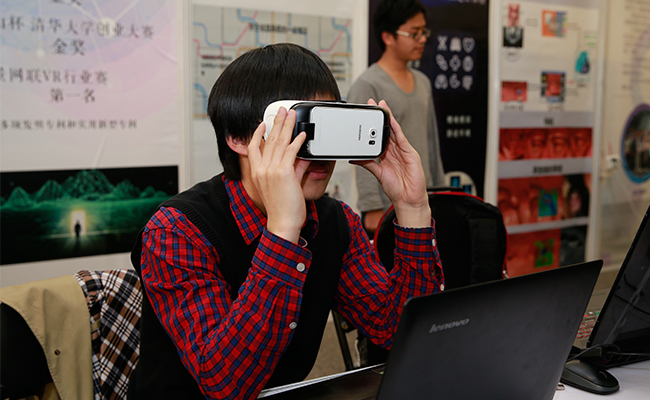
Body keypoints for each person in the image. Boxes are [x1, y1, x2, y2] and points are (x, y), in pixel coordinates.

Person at [128, 43, 444, 400]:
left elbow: (397, 331)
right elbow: (225, 385)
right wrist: (283, 232)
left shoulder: (336, 222)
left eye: (326, 127)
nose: (319, 152)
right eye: (299, 130)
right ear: (239, 139)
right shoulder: (176, 231)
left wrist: (412, 208)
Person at [347, 0, 445, 236]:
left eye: (424, 32)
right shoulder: (367, 84)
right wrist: (371, 205)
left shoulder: (423, 82)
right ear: (388, 37)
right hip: (386, 204)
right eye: (414, 33)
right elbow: (359, 149)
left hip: (423, 199)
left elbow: (431, 141)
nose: (422, 39)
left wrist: (440, 191)